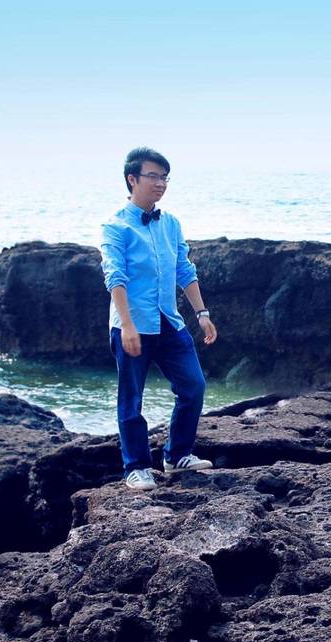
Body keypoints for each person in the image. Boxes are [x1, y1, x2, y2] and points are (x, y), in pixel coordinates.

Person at [99, 147, 218, 491]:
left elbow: (184, 269)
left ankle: (176, 455)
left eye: (164, 177)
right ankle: (136, 467)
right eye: (153, 176)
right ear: (132, 179)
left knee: (193, 386)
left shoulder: (171, 223)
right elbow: (115, 277)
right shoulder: (116, 226)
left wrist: (202, 314)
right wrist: (127, 324)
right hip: (132, 325)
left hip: (170, 321)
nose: (161, 183)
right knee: (131, 397)